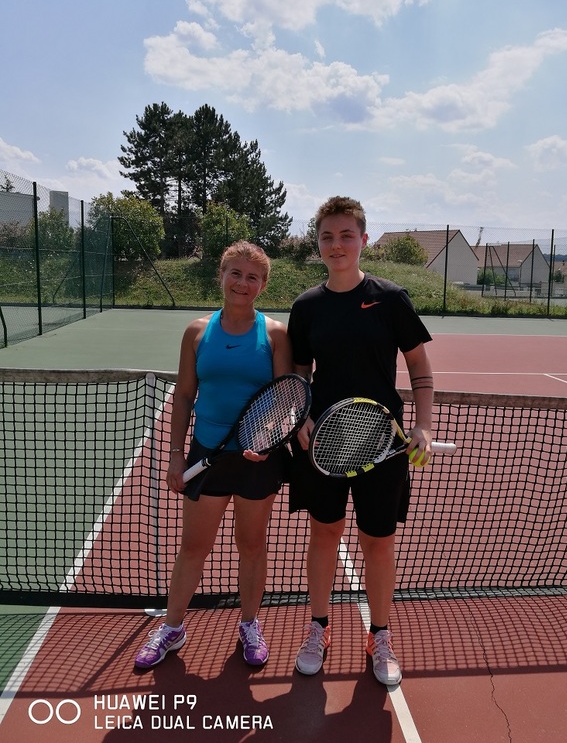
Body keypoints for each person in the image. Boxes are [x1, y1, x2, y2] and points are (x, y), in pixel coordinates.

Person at [287, 196, 434, 686]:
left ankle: (380, 636)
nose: (337, 245)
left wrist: (423, 425)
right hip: (323, 443)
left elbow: (419, 366)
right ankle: (319, 628)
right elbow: (299, 370)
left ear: (363, 240)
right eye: (327, 236)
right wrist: (300, 415)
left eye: (346, 235)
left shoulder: (391, 298)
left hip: (383, 444)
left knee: (378, 543)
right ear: (318, 244)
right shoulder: (306, 307)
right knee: (324, 534)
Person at [134, 241, 292, 670]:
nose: (243, 283)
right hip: (206, 453)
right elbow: (185, 396)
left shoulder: (275, 334)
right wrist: (176, 456)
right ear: (221, 276)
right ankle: (172, 627)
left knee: (252, 546)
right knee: (193, 547)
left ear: (263, 285)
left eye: (252, 277)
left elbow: (285, 398)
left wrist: (265, 439)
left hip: (256, 458)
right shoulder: (197, 332)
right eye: (235, 273)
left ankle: (249, 624)